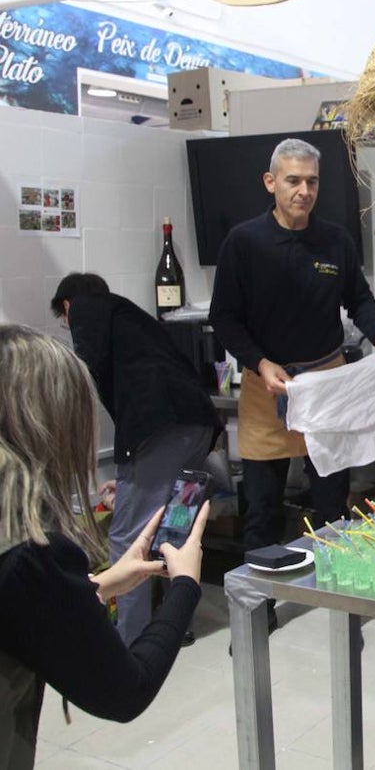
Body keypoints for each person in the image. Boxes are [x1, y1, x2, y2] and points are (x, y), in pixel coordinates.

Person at [209, 138, 375, 629]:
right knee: (263, 510)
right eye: (292, 180)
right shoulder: (244, 243)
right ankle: (257, 614)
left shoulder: (335, 241)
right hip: (265, 386)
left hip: (329, 387)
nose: (303, 190)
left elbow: (358, 297)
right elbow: (225, 319)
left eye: (311, 181)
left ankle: (337, 606)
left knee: (332, 504)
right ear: (271, 183)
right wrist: (259, 362)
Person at [0, 325, 208, 770]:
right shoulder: (29, 550)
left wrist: (102, 583)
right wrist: (186, 585)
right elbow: (125, 691)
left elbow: (20, 611)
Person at [50, 273, 220, 646]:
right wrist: (127, 477)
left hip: (161, 430)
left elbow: (82, 373)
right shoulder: (130, 317)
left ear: (66, 306)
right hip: (197, 426)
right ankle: (179, 625)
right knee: (176, 530)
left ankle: (129, 641)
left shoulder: (85, 306)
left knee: (127, 538)